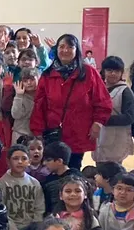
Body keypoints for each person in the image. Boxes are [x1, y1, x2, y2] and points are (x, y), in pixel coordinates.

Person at [29, 33, 112, 170]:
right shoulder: (48, 74)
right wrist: (37, 131)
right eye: (61, 46)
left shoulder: (88, 72)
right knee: (51, 170)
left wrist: (98, 123)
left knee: (73, 168)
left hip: (78, 132)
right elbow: (39, 105)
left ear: (76, 50)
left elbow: (103, 101)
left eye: (70, 47)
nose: (65, 50)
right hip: (53, 133)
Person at [94, 56, 134, 165]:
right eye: (109, 70)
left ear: (121, 73)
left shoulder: (125, 91)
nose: (113, 74)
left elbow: (129, 117)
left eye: (117, 71)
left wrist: (102, 120)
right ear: (103, 72)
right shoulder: (98, 89)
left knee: (113, 173)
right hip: (101, 137)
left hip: (117, 139)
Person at [0, 145, 45, 230]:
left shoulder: (35, 183)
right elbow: (1, 210)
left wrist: (33, 228)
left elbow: (39, 209)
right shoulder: (1, 183)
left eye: (24, 158)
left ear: (29, 161)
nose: (20, 162)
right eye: (15, 158)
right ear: (8, 161)